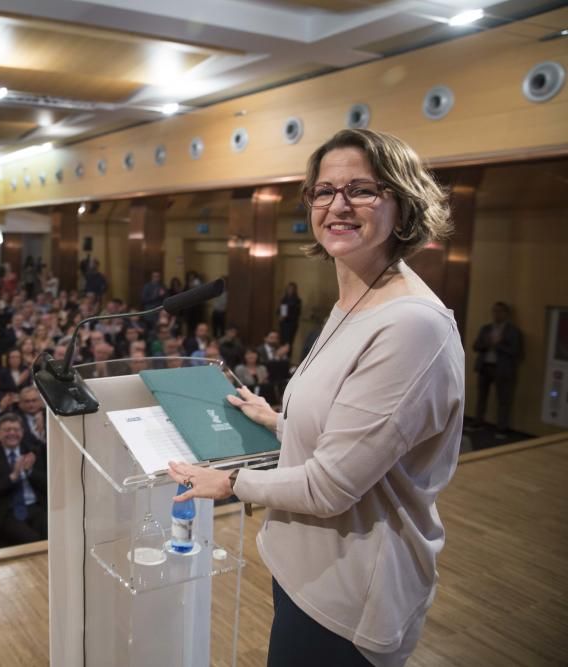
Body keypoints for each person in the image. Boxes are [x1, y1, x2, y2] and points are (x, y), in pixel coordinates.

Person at [168, 129, 464, 667]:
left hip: (350, 597)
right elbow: (356, 437)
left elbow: (332, 486)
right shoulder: (355, 297)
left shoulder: (411, 325)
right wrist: (279, 422)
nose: (338, 205)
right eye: (323, 191)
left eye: (362, 190)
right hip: (305, 569)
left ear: (402, 203)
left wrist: (229, 482)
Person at [0, 414, 47, 546]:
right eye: (7, 430)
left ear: (22, 432)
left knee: (51, 535)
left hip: (36, 507)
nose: (12, 433)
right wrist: (12, 477)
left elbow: (46, 484)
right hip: (8, 510)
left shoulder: (33, 450)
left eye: (16, 430)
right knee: (33, 541)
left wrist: (30, 472)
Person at [472, 301, 523, 436]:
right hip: (484, 367)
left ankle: (501, 428)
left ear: (506, 313)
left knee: (503, 400)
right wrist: (487, 343)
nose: (496, 314)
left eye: (500, 311)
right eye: (494, 311)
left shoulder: (513, 331)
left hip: (502, 369)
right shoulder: (486, 328)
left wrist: (498, 345)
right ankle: (478, 423)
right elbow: (476, 346)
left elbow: (516, 351)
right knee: (481, 397)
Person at [278, 283, 303, 356]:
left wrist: (286, 314)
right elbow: (280, 310)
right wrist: (281, 315)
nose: (290, 290)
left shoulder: (297, 300)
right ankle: (281, 357)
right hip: (283, 323)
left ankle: (287, 358)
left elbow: (297, 313)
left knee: (289, 342)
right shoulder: (284, 299)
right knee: (282, 341)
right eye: (289, 288)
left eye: (292, 289)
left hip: (291, 324)